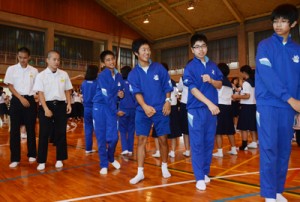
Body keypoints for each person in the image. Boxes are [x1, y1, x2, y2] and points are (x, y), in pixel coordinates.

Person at [255, 4, 300, 202]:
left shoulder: (297, 50)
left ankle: (278, 190)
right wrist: (290, 99)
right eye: (275, 21)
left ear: (293, 24)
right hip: (268, 105)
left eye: (283, 21)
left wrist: (298, 109)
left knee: (284, 149)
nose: (278, 25)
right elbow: (267, 76)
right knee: (269, 148)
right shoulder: (264, 46)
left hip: (289, 108)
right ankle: (268, 194)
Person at [128, 38, 173, 184]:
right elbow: (136, 92)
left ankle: (164, 167)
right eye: (143, 50)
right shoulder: (133, 74)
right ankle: (140, 172)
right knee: (141, 140)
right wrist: (145, 107)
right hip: (142, 111)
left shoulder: (159, 68)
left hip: (161, 109)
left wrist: (168, 102)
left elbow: (167, 87)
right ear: (136, 53)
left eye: (148, 49)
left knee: (163, 139)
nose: (147, 52)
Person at [183, 33, 222, 191]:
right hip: (196, 110)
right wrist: (209, 103)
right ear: (193, 50)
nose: (201, 50)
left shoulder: (213, 65)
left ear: (207, 47)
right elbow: (192, 90)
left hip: (211, 111)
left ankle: (205, 172)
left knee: (208, 142)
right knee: (197, 143)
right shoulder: (190, 67)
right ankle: (199, 177)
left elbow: (220, 84)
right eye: (197, 47)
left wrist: (211, 81)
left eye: (203, 46)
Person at [33, 50, 73, 171]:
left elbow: (67, 90)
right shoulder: (41, 75)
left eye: (58, 59)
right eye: (54, 59)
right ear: (47, 60)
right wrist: (45, 108)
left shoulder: (64, 74)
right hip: (47, 105)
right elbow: (40, 93)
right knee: (44, 134)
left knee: (61, 133)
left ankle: (60, 159)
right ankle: (41, 161)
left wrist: (69, 103)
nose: (57, 62)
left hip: (61, 105)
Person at [4, 47, 38, 168]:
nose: (22, 60)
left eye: (25, 57)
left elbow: (36, 87)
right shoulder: (11, 69)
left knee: (30, 129)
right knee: (14, 131)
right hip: (17, 100)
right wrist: (20, 98)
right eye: (20, 57)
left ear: (29, 57)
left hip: (30, 101)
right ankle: (15, 158)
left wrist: (36, 97)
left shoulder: (34, 71)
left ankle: (32, 154)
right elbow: (10, 86)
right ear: (17, 56)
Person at [93, 50, 124, 175]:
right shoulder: (102, 76)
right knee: (101, 137)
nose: (111, 61)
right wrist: (116, 111)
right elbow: (106, 96)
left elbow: (118, 93)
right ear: (103, 63)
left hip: (111, 108)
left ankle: (110, 157)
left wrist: (121, 94)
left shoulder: (119, 76)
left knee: (114, 138)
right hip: (100, 107)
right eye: (108, 60)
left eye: (112, 59)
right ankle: (104, 163)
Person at [213, 63, 236, 158]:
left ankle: (219, 151)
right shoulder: (229, 83)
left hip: (220, 106)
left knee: (218, 131)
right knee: (230, 129)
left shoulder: (219, 81)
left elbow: (216, 94)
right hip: (228, 107)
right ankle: (234, 149)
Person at [232, 65, 257, 151]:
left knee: (243, 127)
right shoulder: (254, 82)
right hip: (253, 106)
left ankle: (244, 145)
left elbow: (247, 96)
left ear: (244, 73)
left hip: (246, 106)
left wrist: (237, 96)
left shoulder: (246, 83)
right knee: (252, 126)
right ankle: (254, 142)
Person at [81, 65, 99, 154]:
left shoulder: (84, 83)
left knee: (88, 128)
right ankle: (103, 148)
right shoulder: (97, 83)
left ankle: (88, 148)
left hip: (86, 108)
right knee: (99, 128)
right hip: (96, 108)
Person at [119, 65, 136, 156]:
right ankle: (130, 149)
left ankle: (125, 148)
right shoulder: (133, 82)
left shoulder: (120, 82)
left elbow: (118, 96)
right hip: (133, 108)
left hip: (123, 108)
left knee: (122, 130)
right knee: (131, 130)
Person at [177, 76, 190, 157]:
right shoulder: (200, 75)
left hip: (185, 103)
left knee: (185, 129)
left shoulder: (183, 77)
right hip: (196, 103)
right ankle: (194, 150)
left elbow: (180, 88)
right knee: (193, 128)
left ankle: (188, 150)